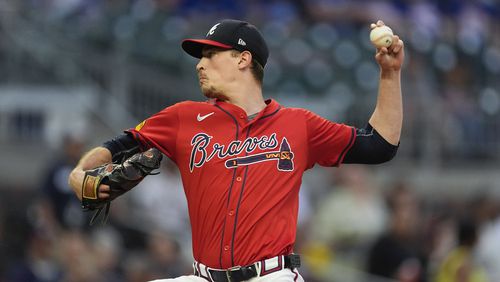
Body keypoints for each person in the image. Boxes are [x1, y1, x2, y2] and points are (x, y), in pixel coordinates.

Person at [68, 19, 404, 281]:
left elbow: (379, 145)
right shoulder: (183, 117)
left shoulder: (298, 125)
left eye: (211, 54)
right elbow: (115, 147)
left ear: (243, 59)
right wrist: (79, 174)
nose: (200, 64)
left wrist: (390, 75)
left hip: (272, 276)